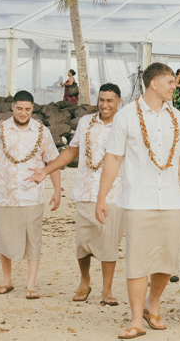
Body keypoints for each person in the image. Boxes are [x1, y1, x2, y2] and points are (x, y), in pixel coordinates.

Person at [95, 61, 180, 340]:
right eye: (170, 82)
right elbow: (114, 158)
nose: (174, 86)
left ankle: (152, 303)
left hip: (171, 200)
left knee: (167, 261)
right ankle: (135, 320)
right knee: (137, 261)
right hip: (137, 199)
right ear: (154, 83)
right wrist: (102, 197)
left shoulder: (177, 118)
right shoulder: (126, 116)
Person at [31, 83, 125, 306]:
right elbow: (72, 151)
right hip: (85, 189)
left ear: (119, 102)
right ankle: (85, 281)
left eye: (110, 101)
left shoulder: (126, 125)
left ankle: (107, 289)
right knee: (83, 242)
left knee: (109, 242)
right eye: (102, 100)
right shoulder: (85, 122)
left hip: (115, 192)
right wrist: (45, 170)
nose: (104, 105)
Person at [0, 90, 61, 299]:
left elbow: (53, 162)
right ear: (12, 108)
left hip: (31, 194)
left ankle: (31, 285)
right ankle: (7, 280)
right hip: (4, 192)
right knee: (4, 236)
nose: (23, 113)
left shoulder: (42, 131)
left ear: (32, 109)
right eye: (19, 108)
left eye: (27, 109)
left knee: (33, 238)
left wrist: (58, 190)